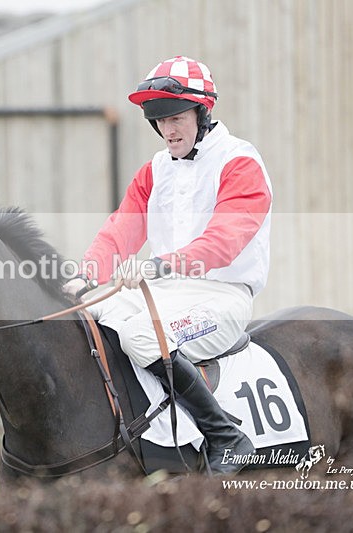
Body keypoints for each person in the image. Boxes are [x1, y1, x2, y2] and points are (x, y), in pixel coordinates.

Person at [64, 56, 272, 475]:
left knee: (141, 335)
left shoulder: (239, 162)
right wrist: (85, 276)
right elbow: (120, 231)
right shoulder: (154, 170)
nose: (168, 130)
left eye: (176, 118)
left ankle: (225, 437)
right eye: (159, 120)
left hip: (221, 297)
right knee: (86, 315)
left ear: (202, 113)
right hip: (164, 294)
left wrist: (161, 265)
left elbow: (225, 241)